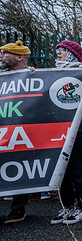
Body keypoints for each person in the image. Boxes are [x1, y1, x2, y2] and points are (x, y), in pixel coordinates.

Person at [50, 40, 82, 225]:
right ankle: (68, 206)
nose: (58, 54)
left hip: (77, 129)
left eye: (62, 50)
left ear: (72, 54)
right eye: (57, 50)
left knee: (78, 169)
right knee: (61, 171)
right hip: (58, 129)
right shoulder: (55, 73)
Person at [0, 41, 34, 223]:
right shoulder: (2, 77)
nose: (1, 56)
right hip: (3, 130)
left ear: (19, 56)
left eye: (5, 53)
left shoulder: (34, 76)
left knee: (20, 166)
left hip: (23, 133)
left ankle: (18, 208)